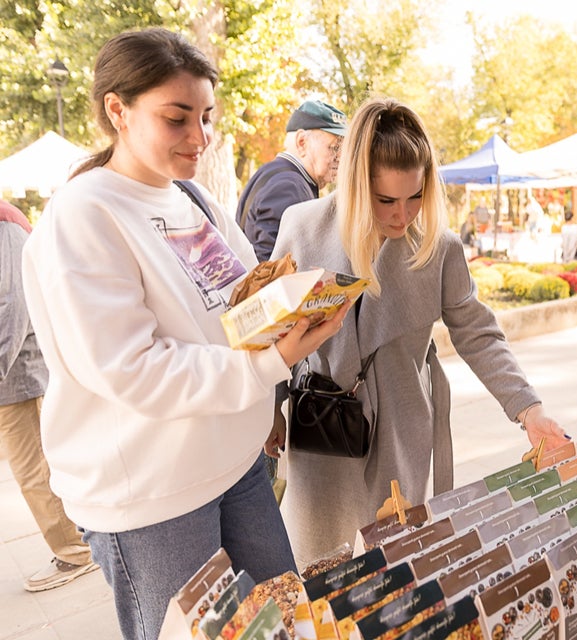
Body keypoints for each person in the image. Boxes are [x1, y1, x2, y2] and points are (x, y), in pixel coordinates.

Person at [20, 28, 347, 640]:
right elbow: (133, 369)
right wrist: (272, 361)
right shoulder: (84, 214)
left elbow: (240, 303)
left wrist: (294, 304)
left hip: (237, 466)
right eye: (177, 119)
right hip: (154, 496)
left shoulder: (193, 196)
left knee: (290, 626)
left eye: (205, 116)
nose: (200, 138)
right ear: (117, 110)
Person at [270, 97, 569, 564]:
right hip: (320, 431)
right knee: (317, 568)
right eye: (386, 199)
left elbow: (478, 333)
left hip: (399, 436)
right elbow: (274, 330)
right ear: (354, 184)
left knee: (389, 569)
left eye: (416, 196)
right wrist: (272, 408)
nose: (402, 214)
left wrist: (529, 410)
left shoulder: (439, 248)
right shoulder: (301, 226)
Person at [1, 200, 98, 592]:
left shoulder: (4, 220)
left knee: (35, 469)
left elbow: (12, 304)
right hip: (13, 370)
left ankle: (75, 550)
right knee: (37, 466)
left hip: (16, 372)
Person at [236, 99, 346, 262]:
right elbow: (271, 266)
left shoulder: (276, 174)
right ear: (302, 142)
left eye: (343, 149)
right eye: (334, 148)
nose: (340, 157)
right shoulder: (288, 186)